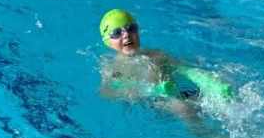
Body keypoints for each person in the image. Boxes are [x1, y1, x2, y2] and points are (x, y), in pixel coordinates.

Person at [99, 9, 232, 104]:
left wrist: (209, 82)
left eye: (131, 28)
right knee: (182, 107)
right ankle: (205, 133)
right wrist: (153, 91)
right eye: (117, 33)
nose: (126, 35)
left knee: (219, 97)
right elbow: (109, 92)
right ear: (107, 42)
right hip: (155, 101)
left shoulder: (155, 54)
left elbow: (183, 69)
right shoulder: (114, 68)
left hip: (177, 91)